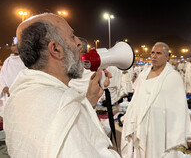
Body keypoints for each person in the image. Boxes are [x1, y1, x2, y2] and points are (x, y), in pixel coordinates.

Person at [4, 13, 120, 158]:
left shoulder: (20, 96)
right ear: (56, 49)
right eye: (72, 37)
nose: (79, 43)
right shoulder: (61, 107)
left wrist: (89, 100)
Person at [121, 42, 191, 158]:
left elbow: (180, 108)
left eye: (158, 53)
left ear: (167, 57)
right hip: (143, 126)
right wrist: (129, 117)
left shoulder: (173, 77)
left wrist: (179, 132)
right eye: (153, 53)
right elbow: (136, 99)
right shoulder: (143, 75)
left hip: (163, 129)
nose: (154, 56)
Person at [0, 41, 26, 119]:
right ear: (11, 47)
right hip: (6, 91)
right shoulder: (7, 61)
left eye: (18, 45)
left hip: (20, 92)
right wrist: (5, 87)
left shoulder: (25, 60)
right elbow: (2, 75)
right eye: (13, 45)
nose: (15, 47)